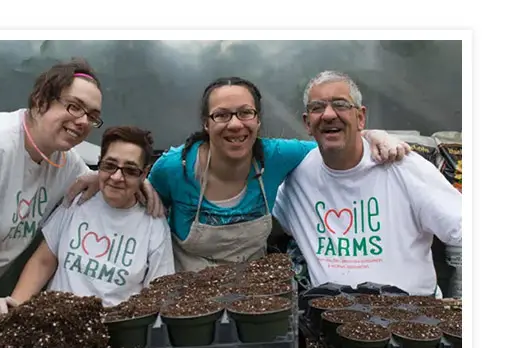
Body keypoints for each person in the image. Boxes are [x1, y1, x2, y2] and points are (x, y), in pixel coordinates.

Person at [69, 76, 408, 273]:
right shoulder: (176, 168)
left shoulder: (277, 156)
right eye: (222, 115)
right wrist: (98, 175)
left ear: (258, 120)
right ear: (206, 124)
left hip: (254, 300)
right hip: (187, 303)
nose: (235, 124)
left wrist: (373, 135)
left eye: (245, 113)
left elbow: (333, 142)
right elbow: (135, 187)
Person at [0, 59, 162, 308]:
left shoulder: (63, 161)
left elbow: (105, 176)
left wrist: (136, 181)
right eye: (73, 107)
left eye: (92, 116)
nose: (83, 121)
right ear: (40, 101)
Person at [273, 70, 462, 296]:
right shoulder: (297, 176)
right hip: (331, 319)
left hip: (413, 318)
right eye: (317, 107)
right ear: (307, 122)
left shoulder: (403, 166)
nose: (329, 114)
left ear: (361, 117)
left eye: (341, 104)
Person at [0, 126, 175, 313]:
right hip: (55, 324)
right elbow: (44, 260)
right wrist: (15, 308)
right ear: (99, 164)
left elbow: (158, 295)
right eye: (110, 166)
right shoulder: (78, 201)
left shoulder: (154, 226)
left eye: (130, 170)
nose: (117, 177)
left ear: (144, 173)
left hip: (114, 333)